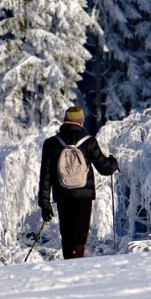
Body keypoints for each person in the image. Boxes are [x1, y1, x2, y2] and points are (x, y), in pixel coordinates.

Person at [38, 106, 118, 259]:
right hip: (83, 196)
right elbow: (105, 169)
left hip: (63, 195)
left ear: (65, 121)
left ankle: (69, 264)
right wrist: (113, 162)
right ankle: (77, 265)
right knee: (80, 237)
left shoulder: (51, 143)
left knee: (67, 237)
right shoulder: (89, 142)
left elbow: (45, 177)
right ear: (81, 122)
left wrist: (44, 203)